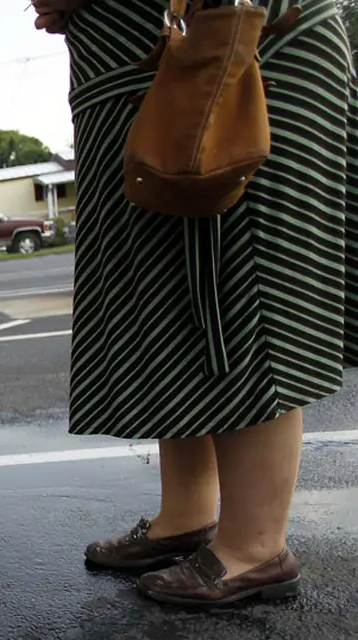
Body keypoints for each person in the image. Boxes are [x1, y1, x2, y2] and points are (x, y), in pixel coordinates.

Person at [35, 0, 356, 607]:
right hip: (155, 54)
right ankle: (187, 513)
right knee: (170, 287)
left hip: (232, 42)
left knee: (232, 274)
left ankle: (255, 546)